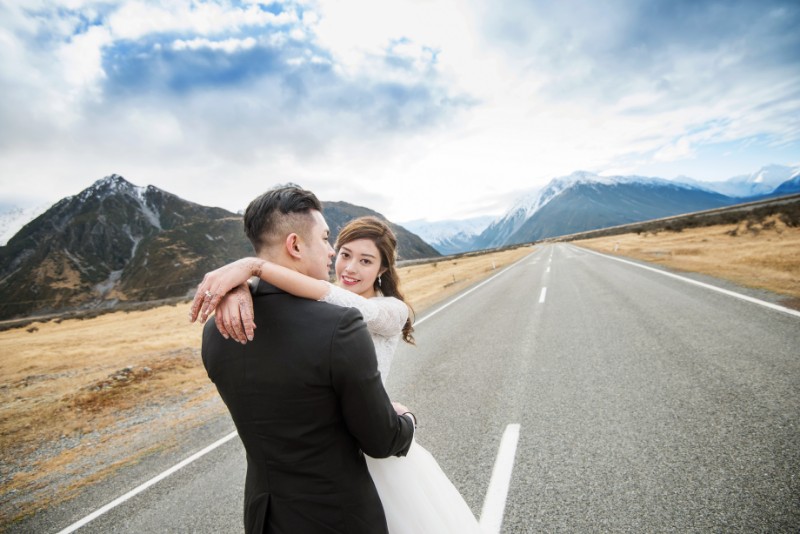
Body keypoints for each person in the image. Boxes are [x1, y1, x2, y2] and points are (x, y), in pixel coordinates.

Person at [191, 214, 483, 533]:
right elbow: (288, 303)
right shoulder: (319, 301)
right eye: (344, 255)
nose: (350, 268)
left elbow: (343, 303)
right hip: (332, 459)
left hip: (378, 447)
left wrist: (254, 267)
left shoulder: (391, 310)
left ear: (383, 270)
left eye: (366, 261)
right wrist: (240, 290)